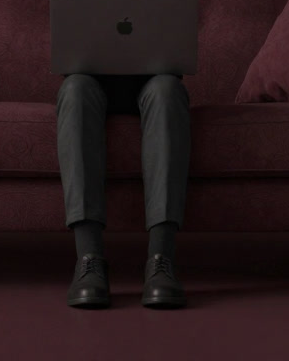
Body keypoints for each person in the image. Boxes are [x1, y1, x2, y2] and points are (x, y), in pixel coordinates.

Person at [56, 73, 191, 309]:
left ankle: (161, 259)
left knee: (167, 89)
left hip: (155, 78)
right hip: (89, 79)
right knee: (74, 89)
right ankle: (89, 259)